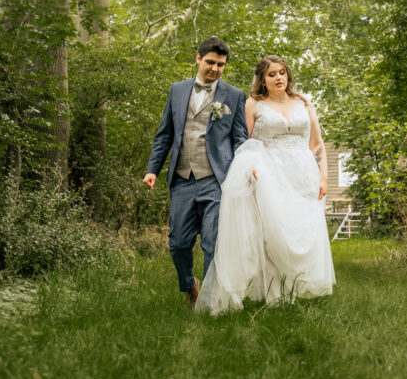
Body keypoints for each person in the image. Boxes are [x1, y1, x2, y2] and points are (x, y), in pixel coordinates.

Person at [195, 55, 335, 315]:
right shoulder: (254, 104)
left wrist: (323, 177)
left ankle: (295, 286)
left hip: (304, 177)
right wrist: (250, 169)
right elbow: (243, 142)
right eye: (272, 74)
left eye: (282, 72)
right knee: (273, 234)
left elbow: (317, 144)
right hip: (271, 175)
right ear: (262, 80)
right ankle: (275, 294)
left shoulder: (304, 102)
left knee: (300, 233)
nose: (279, 77)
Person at [143, 37, 249, 307]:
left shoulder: (234, 96)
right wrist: (152, 169)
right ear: (198, 58)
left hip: (216, 179)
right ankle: (190, 284)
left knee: (213, 244)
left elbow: (240, 139)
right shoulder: (177, 91)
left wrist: (245, 170)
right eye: (211, 62)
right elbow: (165, 134)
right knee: (178, 243)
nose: (215, 69)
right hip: (181, 180)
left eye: (221, 65)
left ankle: (211, 301)